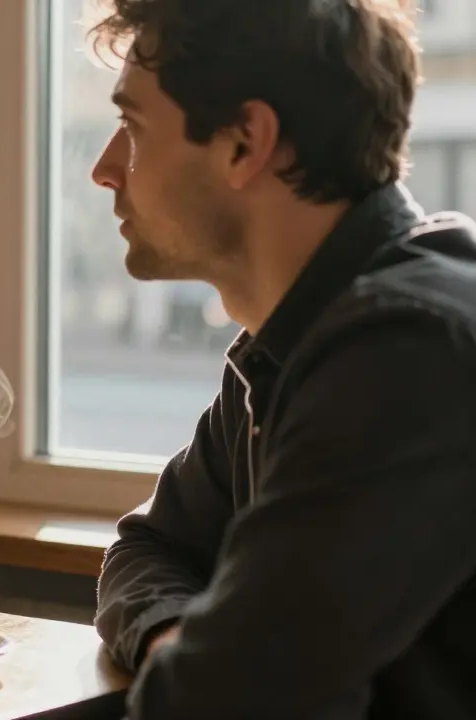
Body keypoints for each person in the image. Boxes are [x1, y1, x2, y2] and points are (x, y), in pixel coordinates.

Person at [88, 0, 476, 717]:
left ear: (245, 142)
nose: (104, 170)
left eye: (134, 129)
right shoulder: (293, 341)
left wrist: (201, 666)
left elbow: (225, 702)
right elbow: (149, 547)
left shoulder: (410, 350)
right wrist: (180, 640)